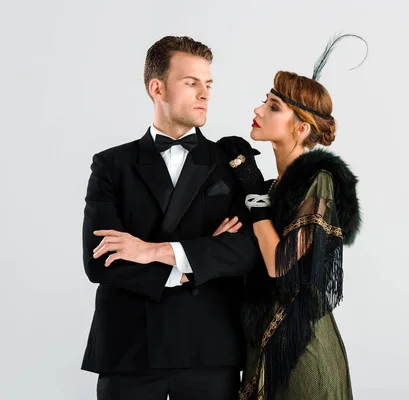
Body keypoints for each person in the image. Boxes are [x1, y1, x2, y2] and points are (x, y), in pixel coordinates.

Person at [81, 35, 259, 400]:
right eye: (191, 83)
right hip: (129, 350)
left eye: (208, 84)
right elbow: (98, 261)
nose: (204, 93)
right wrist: (200, 256)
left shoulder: (231, 162)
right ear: (157, 87)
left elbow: (246, 253)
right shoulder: (111, 165)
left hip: (209, 350)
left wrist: (149, 250)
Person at [217, 34, 366, 400]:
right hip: (260, 349)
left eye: (273, 106)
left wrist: (252, 194)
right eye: (264, 102)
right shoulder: (270, 189)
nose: (258, 110)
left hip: (301, 355)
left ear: (301, 128)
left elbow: (279, 265)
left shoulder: (320, 182)